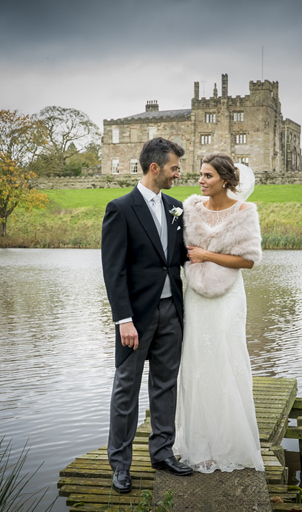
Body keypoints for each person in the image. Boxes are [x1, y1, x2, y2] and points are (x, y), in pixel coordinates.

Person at [101, 137, 194, 495]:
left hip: (172, 311)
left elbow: (181, 257)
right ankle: (120, 465)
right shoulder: (120, 208)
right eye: (174, 167)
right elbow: (114, 270)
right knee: (126, 388)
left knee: (165, 385)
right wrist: (123, 319)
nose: (178, 174)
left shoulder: (175, 208)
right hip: (136, 317)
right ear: (155, 168)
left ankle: (162, 452)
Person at [174, 152, 264, 473]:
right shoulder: (190, 208)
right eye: (200, 175)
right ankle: (199, 443)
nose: (200, 181)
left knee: (226, 358)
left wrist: (207, 254)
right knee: (197, 360)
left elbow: (248, 260)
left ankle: (229, 442)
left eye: (207, 176)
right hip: (195, 297)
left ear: (225, 179)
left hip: (228, 298)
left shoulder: (244, 212)